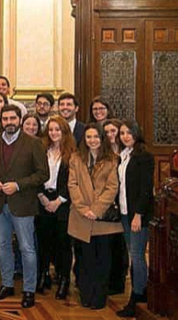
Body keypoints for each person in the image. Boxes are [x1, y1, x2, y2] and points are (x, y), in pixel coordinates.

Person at [0, 105, 49, 308]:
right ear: (0, 121)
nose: (9, 121)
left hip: (23, 204)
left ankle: (29, 289)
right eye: (5, 118)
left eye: (13, 118)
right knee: (2, 245)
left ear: (19, 119)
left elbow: (43, 174)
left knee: (26, 247)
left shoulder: (33, 143)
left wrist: (18, 185)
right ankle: (7, 284)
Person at [67, 123, 122, 310]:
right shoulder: (75, 158)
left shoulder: (112, 159)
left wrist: (96, 210)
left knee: (103, 260)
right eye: (89, 137)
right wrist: (83, 208)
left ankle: (99, 296)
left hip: (103, 219)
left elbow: (112, 188)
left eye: (96, 137)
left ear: (102, 139)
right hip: (81, 216)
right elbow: (72, 185)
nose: (92, 140)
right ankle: (86, 293)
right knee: (84, 259)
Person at [116, 120, 155, 317]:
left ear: (136, 134)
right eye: (122, 133)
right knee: (134, 255)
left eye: (129, 133)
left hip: (137, 215)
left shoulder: (144, 156)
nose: (125, 136)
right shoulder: (122, 156)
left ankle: (137, 297)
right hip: (124, 212)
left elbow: (146, 189)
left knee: (137, 257)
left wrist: (138, 215)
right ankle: (142, 291)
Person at [36, 116, 76, 299]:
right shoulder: (41, 150)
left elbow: (73, 181)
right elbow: (34, 174)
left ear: (64, 132)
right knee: (44, 241)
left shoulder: (72, 154)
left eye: (57, 130)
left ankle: (64, 280)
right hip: (43, 199)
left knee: (63, 243)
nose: (53, 133)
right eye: (51, 130)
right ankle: (43, 275)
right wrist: (42, 197)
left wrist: (59, 201)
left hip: (63, 202)